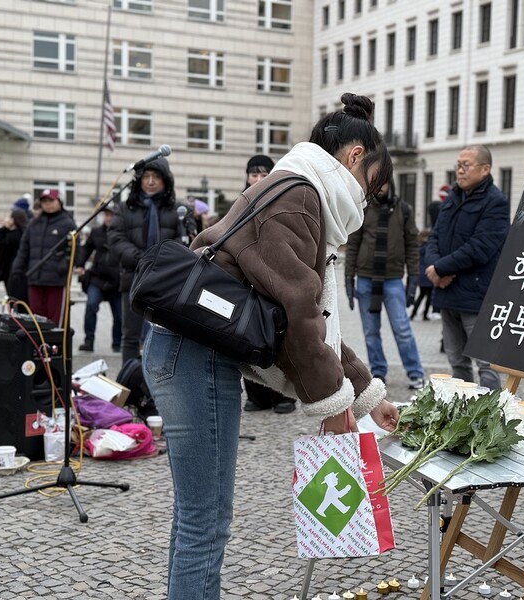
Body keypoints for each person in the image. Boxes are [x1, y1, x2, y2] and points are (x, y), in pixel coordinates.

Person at [141, 93, 398, 600]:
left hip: (185, 347)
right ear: (353, 158)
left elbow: (309, 318)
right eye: (374, 183)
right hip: (194, 353)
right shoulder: (298, 196)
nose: (369, 198)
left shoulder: (296, 190)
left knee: (197, 515)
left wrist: (367, 396)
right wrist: (333, 405)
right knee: (205, 519)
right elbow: (301, 315)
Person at [424, 145, 510, 390]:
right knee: (457, 362)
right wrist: (434, 268)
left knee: (486, 364)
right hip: (447, 292)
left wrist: (441, 268)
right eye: (457, 165)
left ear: (485, 169)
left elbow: (481, 247)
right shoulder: (453, 197)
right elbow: (435, 237)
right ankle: (464, 416)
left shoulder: (496, 202)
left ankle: (492, 417)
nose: (459, 171)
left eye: (466, 165)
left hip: (475, 295)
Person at [345, 182, 424, 389]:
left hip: (392, 280)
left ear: (391, 183)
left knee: (402, 329)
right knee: (371, 331)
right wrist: (348, 278)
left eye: (384, 182)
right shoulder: (362, 208)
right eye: (376, 182)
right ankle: (378, 371)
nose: (380, 187)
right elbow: (353, 244)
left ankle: (415, 372)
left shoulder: (404, 209)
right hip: (365, 279)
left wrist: (413, 280)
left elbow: (412, 246)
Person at [109, 156, 184, 362]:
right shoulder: (125, 208)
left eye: (156, 177)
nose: (151, 181)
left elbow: (184, 240)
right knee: (130, 335)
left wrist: (161, 259)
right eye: (147, 176)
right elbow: (115, 238)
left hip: (166, 279)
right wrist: (140, 258)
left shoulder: (177, 209)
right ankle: (130, 379)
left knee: (164, 334)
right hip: (133, 275)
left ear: (165, 180)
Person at [238, 153, 297, 414]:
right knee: (248, 334)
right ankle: (257, 394)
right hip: (248, 277)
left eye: (264, 174)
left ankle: (284, 395)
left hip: (277, 277)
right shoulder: (240, 203)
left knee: (280, 336)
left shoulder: (283, 201)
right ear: (247, 177)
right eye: (254, 174)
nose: (259, 179)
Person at [10, 189, 76, 324]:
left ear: (59, 201)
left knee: (54, 321)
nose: (47, 204)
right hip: (35, 279)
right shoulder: (33, 225)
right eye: (44, 201)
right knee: (36, 320)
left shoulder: (68, 223)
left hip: (56, 281)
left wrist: (63, 266)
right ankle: (38, 346)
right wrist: (16, 269)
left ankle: (54, 345)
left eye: (51, 200)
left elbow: (75, 250)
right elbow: (24, 249)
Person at [75, 208, 122, 353]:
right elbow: (85, 249)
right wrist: (80, 265)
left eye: (112, 215)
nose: (109, 218)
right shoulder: (96, 232)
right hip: (97, 279)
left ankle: (117, 343)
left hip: (117, 281)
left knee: (120, 315)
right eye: (107, 215)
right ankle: (89, 341)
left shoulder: (123, 234)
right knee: (91, 306)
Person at [0, 208, 29, 301]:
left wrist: (4, 228)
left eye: (9, 218)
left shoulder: (13, 236)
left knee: (14, 298)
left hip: (12, 271)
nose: (6, 219)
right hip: (11, 271)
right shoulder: (16, 233)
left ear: (14, 220)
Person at [410, 228, 435, 320]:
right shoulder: (429, 248)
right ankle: (425, 314)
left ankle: (413, 313)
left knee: (421, 295)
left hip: (421, 274)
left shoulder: (419, 247)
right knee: (428, 296)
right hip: (428, 274)